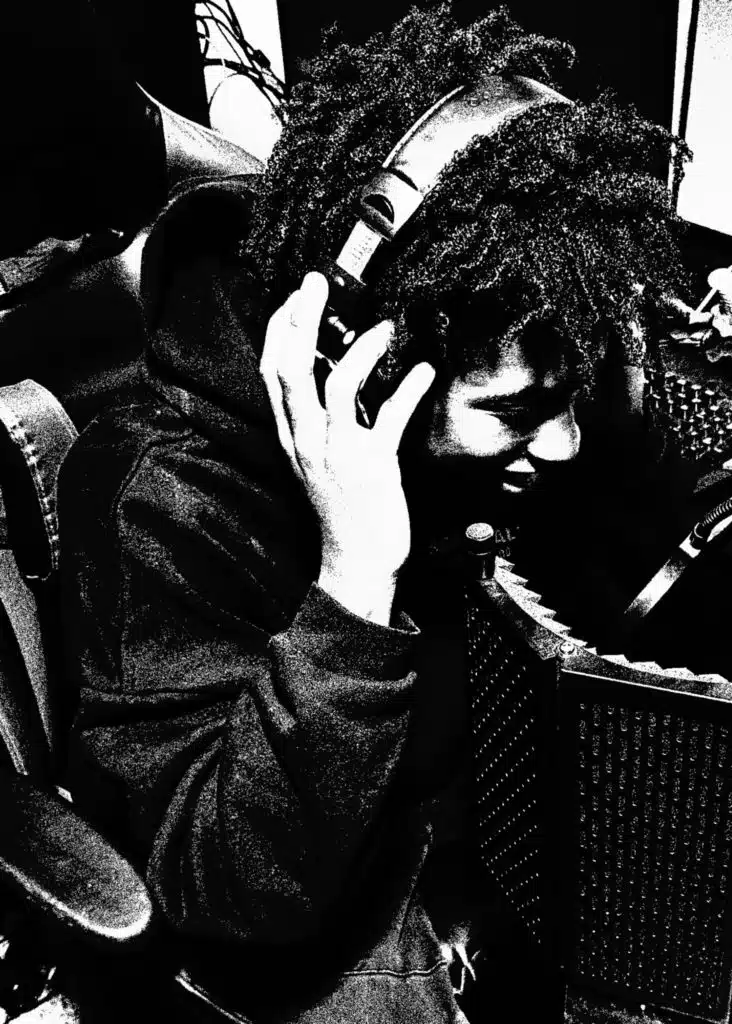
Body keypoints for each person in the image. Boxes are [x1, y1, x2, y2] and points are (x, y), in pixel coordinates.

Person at [58, 6, 692, 1022]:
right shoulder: (162, 500)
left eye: (566, 397)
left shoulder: (468, 404)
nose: (561, 443)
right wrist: (355, 577)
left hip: (442, 829)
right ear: (362, 372)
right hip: (301, 918)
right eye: (517, 412)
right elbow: (233, 893)